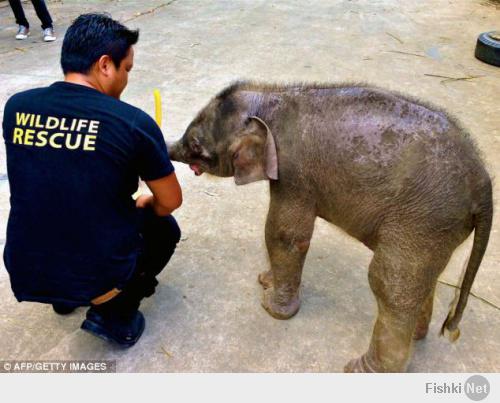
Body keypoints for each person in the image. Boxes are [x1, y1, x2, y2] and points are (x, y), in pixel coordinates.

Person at [2, 13, 183, 347]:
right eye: (126, 69)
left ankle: (63, 296)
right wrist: (147, 200)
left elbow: (54, 173)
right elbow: (170, 200)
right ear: (104, 65)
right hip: (99, 269)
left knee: (61, 203)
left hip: (24, 263)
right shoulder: (132, 123)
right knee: (165, 227)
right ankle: (114, 314)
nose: (126, 78)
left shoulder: (17, 107)